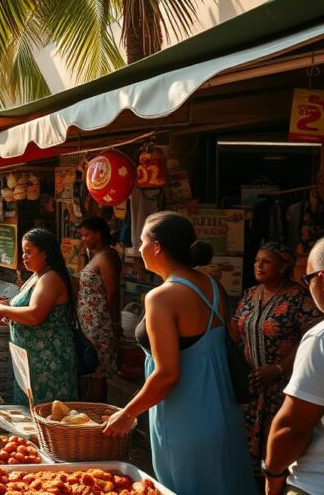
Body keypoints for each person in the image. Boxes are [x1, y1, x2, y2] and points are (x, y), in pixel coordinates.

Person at [103, 212, 256, 495]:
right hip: (223, 412)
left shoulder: (161, 297)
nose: (138, 249)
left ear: (157, 247)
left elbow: (168, 374)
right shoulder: (212, 285)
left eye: (141, 241)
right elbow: (228, 339)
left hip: (186, 419)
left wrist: (127, 414)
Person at [236, 243, 319, 478]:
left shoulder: (299, 298)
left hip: (284, 387)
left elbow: (310, 339)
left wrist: (279, 368)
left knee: (279, 444)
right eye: (256, 260)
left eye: (267, 261)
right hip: (253, 386)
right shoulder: (250, 294)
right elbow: (236, 328)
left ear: (283, 267)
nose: (259, 265)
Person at [0, 228, 78, 406]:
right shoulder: (37, 276)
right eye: (23, 252)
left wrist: (2, 310)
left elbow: (35, 315)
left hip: (47, 361)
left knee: (48, 411)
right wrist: (6, 311)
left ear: (44, 253)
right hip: (32, 360)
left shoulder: (50, 278)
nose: (23, 256)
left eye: (29, 252)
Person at [264, 237, 324, 495]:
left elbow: (292, 427)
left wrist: (273, 477)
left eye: (307, 279)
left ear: (322, 279)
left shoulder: (321, 337)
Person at [76, 216, 122, 402]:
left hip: (100, 324)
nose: (83, 239)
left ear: (98, 234)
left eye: (86, 235)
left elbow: (112, 293)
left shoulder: (107, 257)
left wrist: (114, 321)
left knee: (98, 372)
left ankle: (97, 412)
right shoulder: (96, 256)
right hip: (90, 323)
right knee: (91, 369)